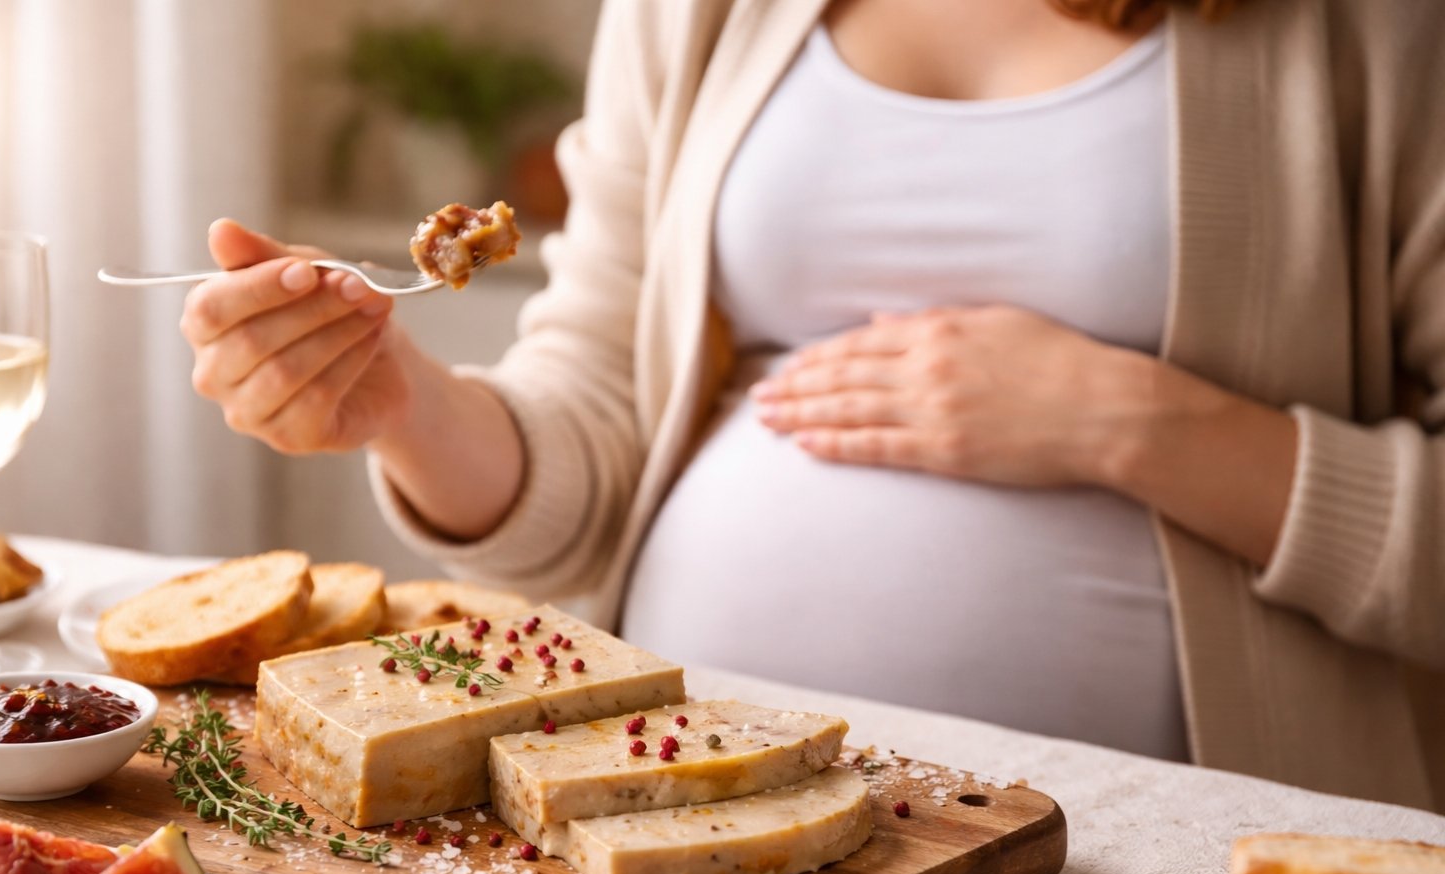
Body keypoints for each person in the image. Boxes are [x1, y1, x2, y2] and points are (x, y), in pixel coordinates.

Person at [177, 0, 1445, 810]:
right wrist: (400, 401)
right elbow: (598, 410)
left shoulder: (1375, 32)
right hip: (681, 817)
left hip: (1147, 845)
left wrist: (1126, 424)